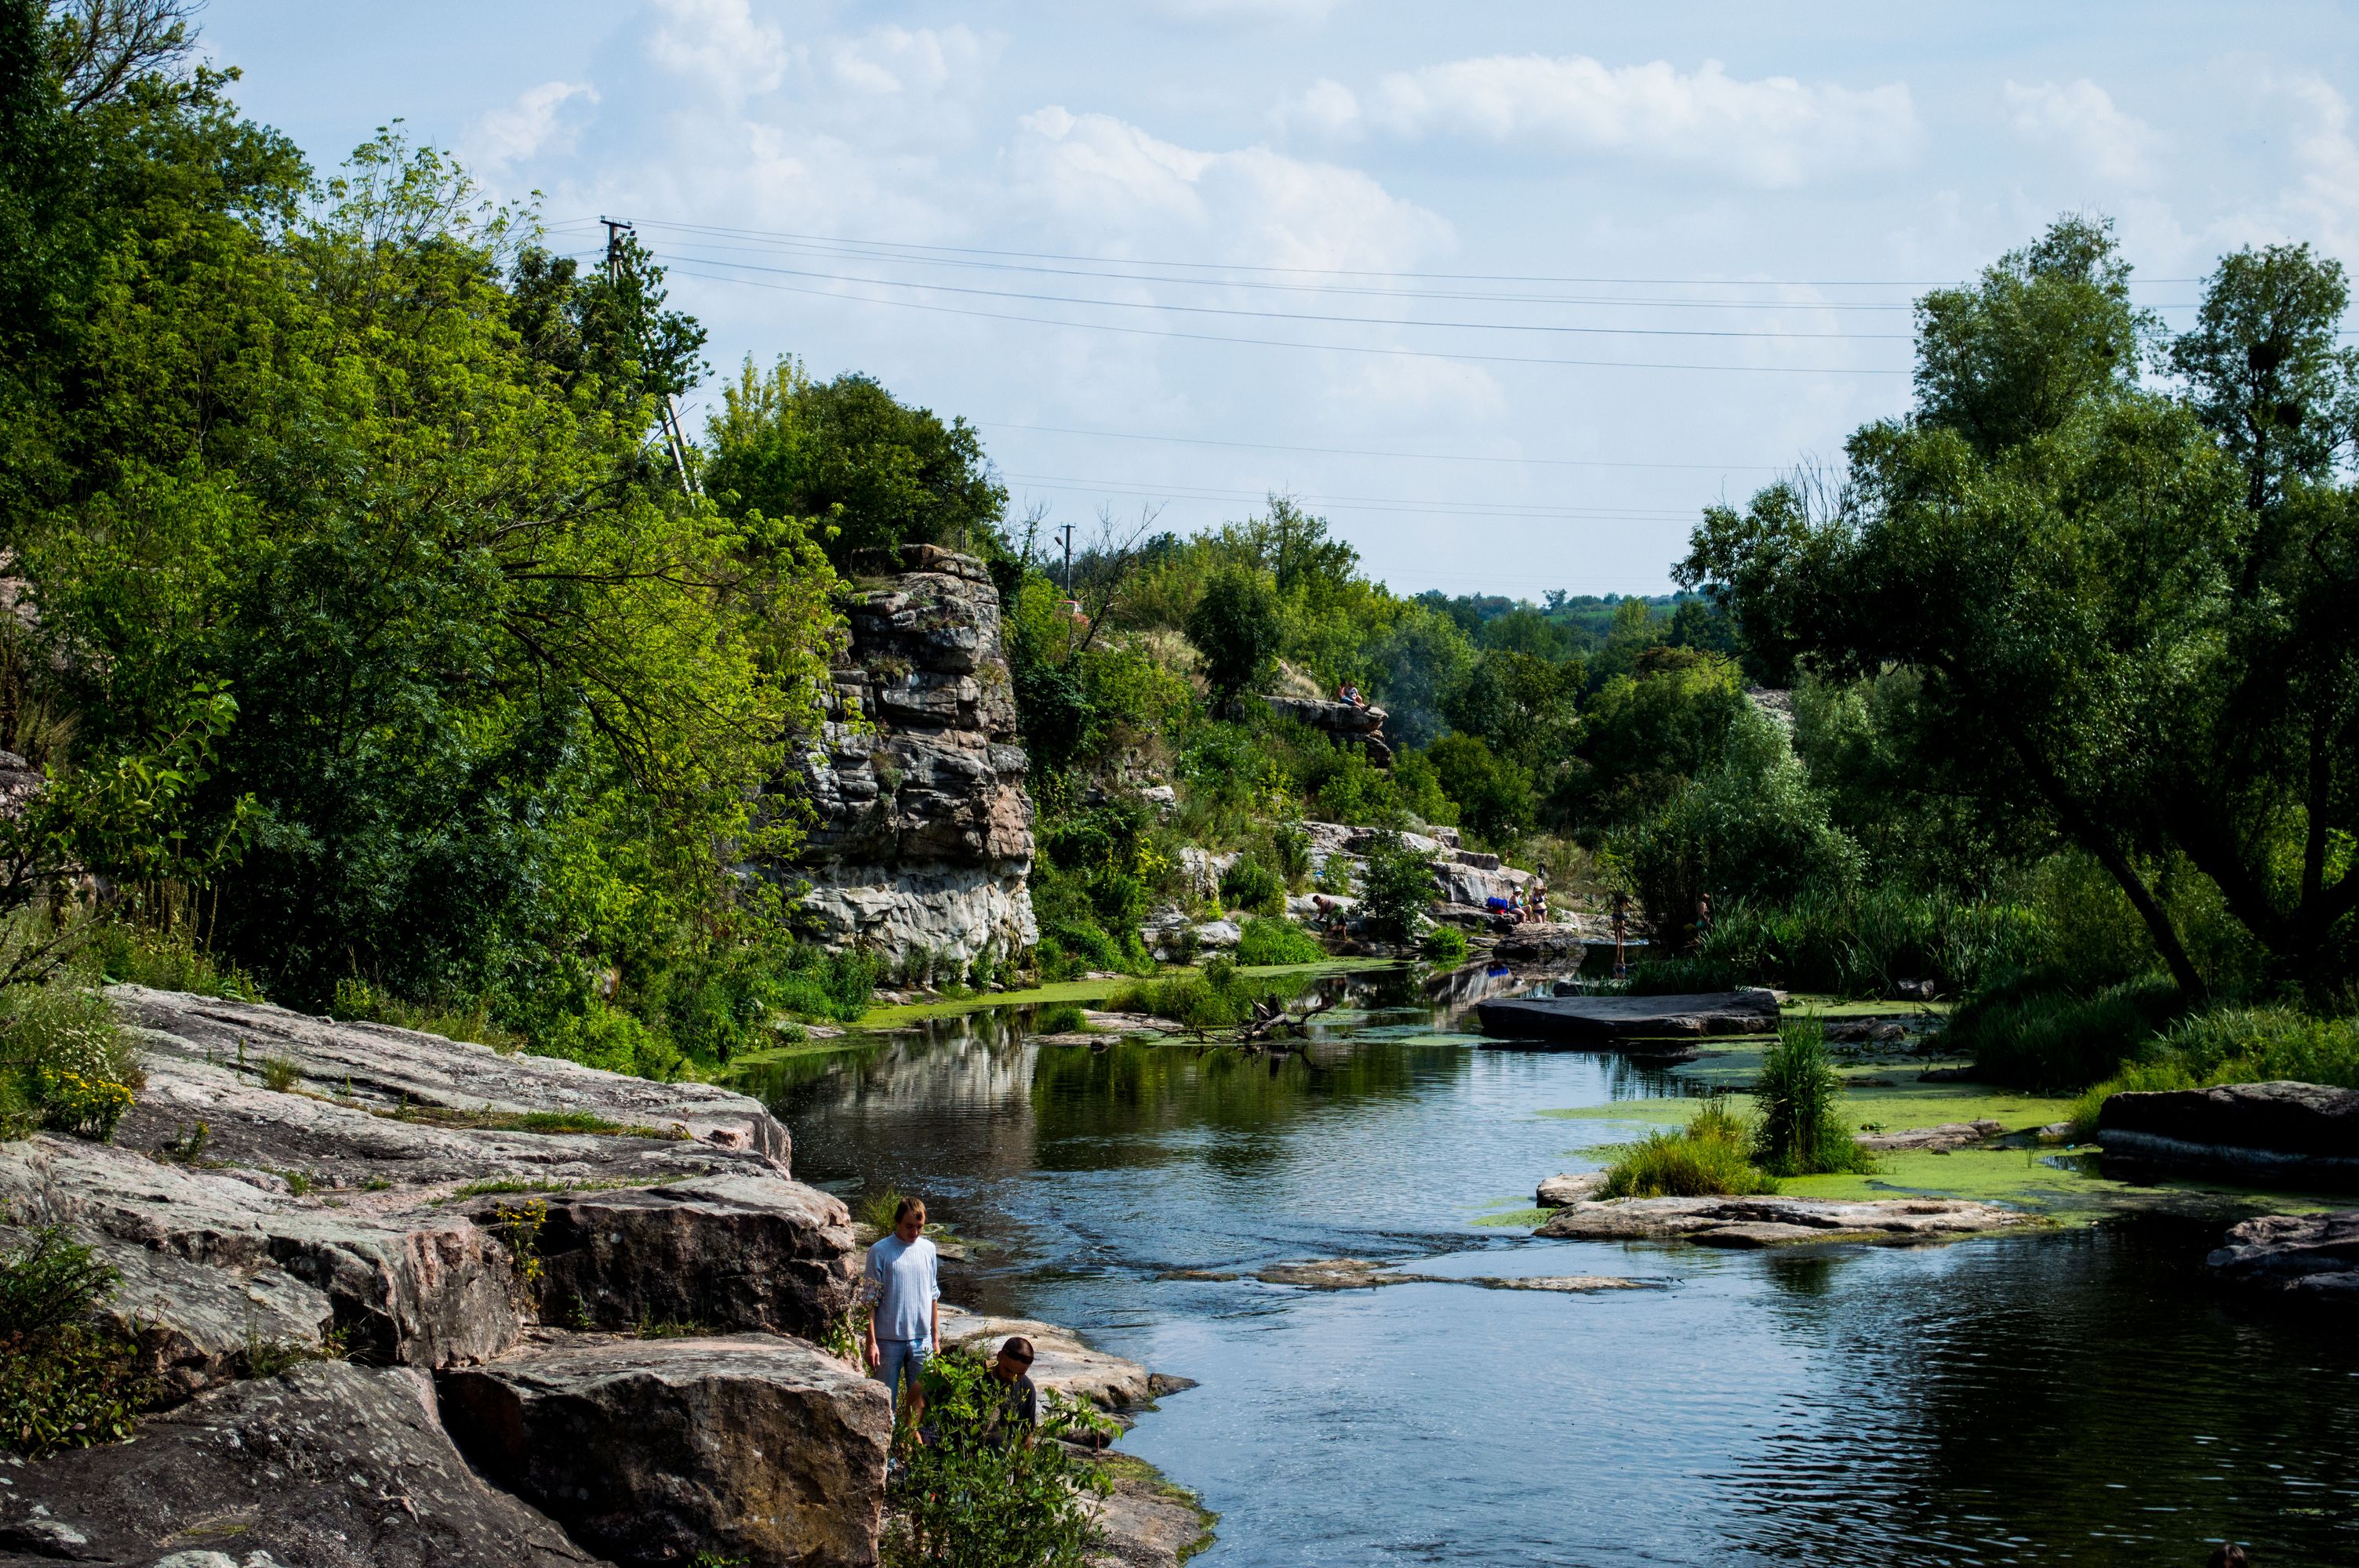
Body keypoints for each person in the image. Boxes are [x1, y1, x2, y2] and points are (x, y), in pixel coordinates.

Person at [863, 1196, 941, 1421]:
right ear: (897, 1221)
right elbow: (869, 1301)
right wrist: (871, 1343)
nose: (915, 1232)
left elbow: (933, 1296)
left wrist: (935, 1339)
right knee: (885, 1403)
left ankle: (911, 1451)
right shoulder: (880, 1252)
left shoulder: (928, 1249)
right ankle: (888, 1456)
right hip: (887, 1340)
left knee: (920, 1403)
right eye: (909, 1226)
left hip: (921, 1340)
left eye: (919, 1227)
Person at [981, 1335, 1040, 1447]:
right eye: (1008, 1370)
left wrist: (1024, 1464)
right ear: (999, 1356)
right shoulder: (975, 1374)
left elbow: (1026, 1435)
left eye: (1020, 1374)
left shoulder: (1027, 1388)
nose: (1012, 1377)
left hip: (1001, 1461)